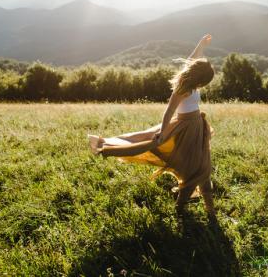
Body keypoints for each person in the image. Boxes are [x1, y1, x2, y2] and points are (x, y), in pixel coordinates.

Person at [88, 34, 216, 220]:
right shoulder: (182, 89)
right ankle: (181, 211)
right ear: (198, 79)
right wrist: (163, 133)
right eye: (203, 82)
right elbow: (169, 112)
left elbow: (192, 59)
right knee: (194, 170)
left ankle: (209, 211)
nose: (203, 86)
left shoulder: (192, 80)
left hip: (197, 129)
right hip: (184, 130)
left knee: (203, 168)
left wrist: (201, 45)